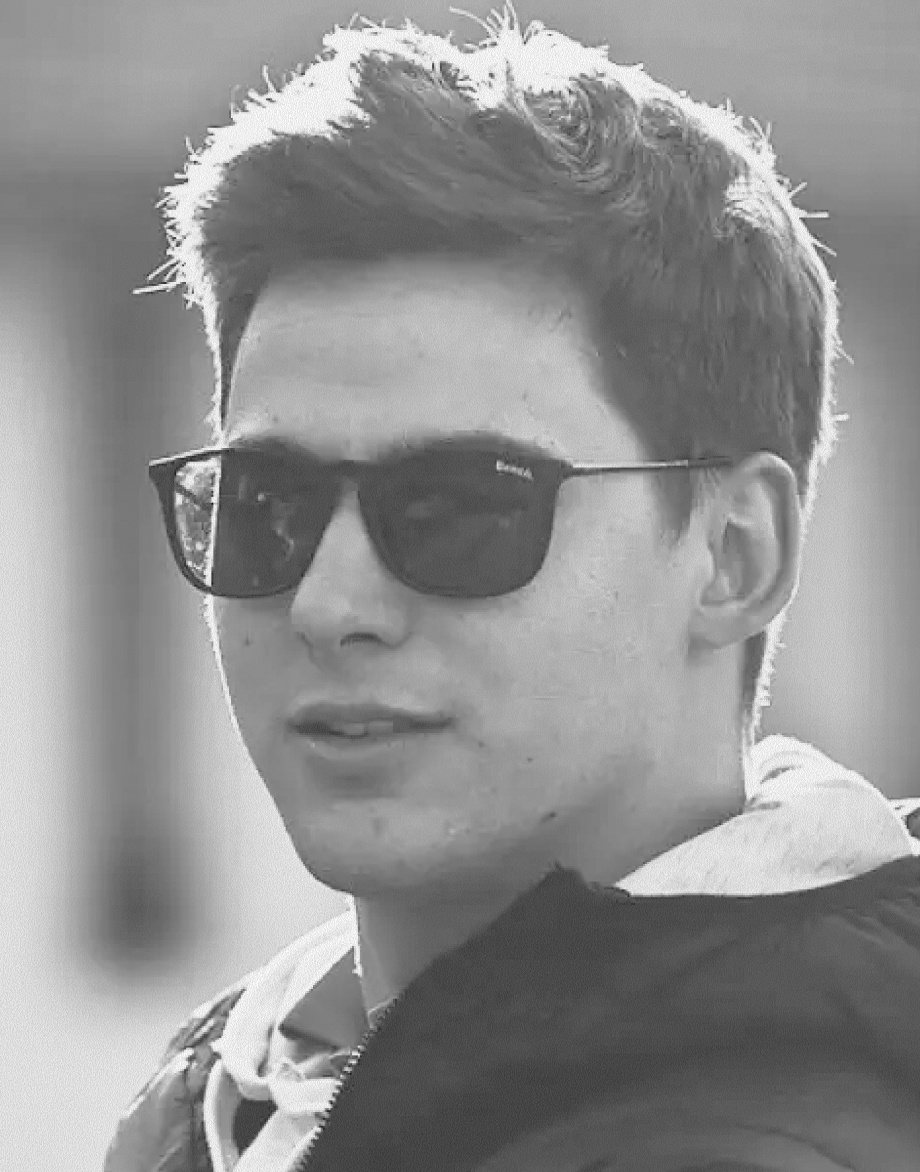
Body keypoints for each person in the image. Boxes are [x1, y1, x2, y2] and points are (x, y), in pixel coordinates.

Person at [105, 7, 920, 1170]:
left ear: (734, 552)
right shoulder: (229, 1098)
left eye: (459, 507)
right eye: (266, 503)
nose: (330, 604)